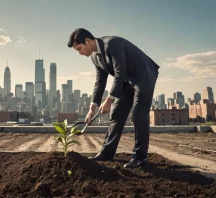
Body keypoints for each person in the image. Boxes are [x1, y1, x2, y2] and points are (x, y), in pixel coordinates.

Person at [67, 28, 159, 168]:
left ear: (88, 41)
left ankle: (140, 157)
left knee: (138, 114)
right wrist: (93, 107)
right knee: (116, 114)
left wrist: (108, 100)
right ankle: (106, 153)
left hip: (143, 75)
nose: (80, 53)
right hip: (126, 81)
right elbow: (100, 82)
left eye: (79, 48)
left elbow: (119, 73)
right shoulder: (94, 57)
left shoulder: (112, 44)